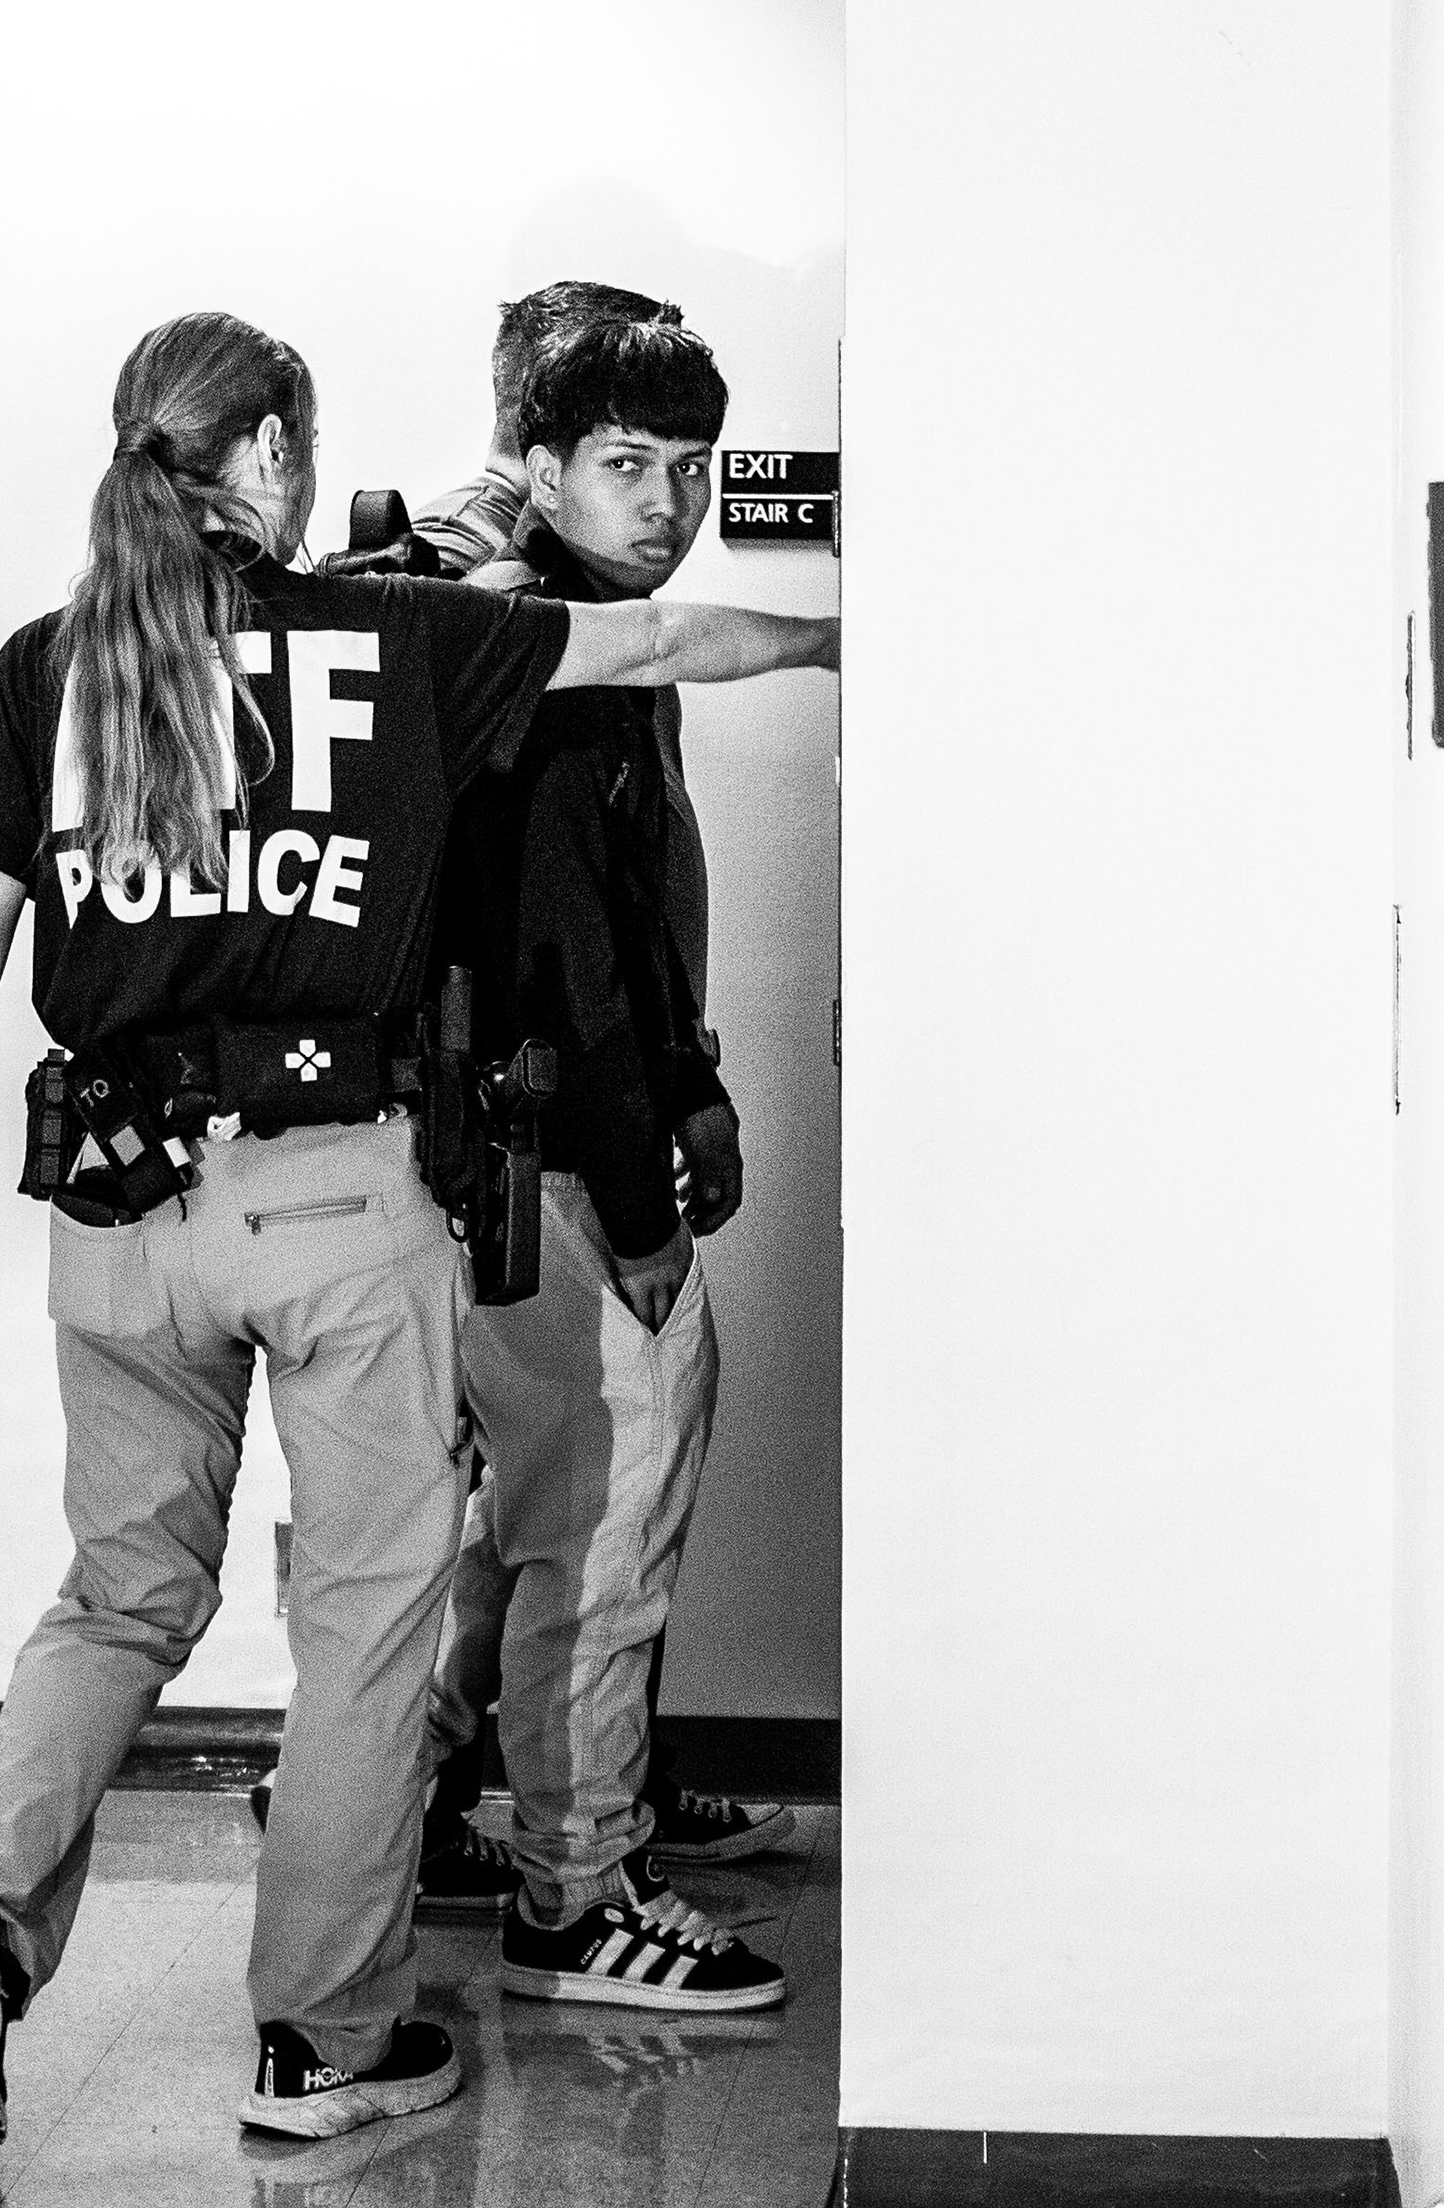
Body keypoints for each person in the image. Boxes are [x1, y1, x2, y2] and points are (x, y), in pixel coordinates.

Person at [0, 311, 837, 2147]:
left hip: (117, 1216)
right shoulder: (387, 642)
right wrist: (862, 626)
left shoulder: (46, 667)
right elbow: (667, 636)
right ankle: (328, 2038)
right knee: (368, 1628)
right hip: (334, 1201)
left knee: (119, 1598)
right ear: (276, 458)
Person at [416, 309, 816, 2015]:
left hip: (535, 1154)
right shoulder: (545, 659)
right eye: (628, 467)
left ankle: (467, 1806)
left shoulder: (593, 639)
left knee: (531, 1513)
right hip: (556, 1167)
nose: (670, 501)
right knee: (606, 1512)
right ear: (546, 468)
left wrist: (698, 1081)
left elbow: (636, 921)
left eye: (693, 466)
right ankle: (578, 1891)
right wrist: (643, 1206)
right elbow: (558, 968)